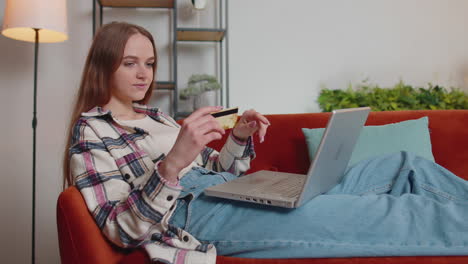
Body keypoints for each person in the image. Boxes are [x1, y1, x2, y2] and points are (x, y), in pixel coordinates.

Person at [64, 22, 468, 264]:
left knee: (401, 164)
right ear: (104, 64)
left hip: (219, 189)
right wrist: (171, 165)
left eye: (149, 63)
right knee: (388, 212)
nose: (144, 74)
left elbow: (217, 171)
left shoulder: (158, 117)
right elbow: (120, 229)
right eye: (130, 62)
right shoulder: (91, 132)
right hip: (190, 212)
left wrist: (237, 138)